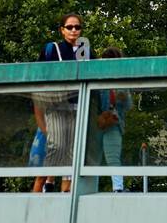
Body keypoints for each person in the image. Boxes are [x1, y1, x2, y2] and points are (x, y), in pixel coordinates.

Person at [36, 13, 89, 192]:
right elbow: (40, 75)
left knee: (73, 151)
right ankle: (43, 185)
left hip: (78, 106)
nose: (74, 30)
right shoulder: (53, 49)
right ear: (62, 30)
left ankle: (67, 191)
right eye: (70, 27)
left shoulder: (86, 49)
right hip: (56, 105)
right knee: (56, 146)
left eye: (77, 27)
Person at [94, 47, 132, 192]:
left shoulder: (122, 82)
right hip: (96, 122)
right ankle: (91, 187)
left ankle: (118, 188)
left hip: (114, 123)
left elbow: (128, 106)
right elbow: (92, 101)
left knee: (113, 156)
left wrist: (123, 96)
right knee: (92, 158)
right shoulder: (97, 78)